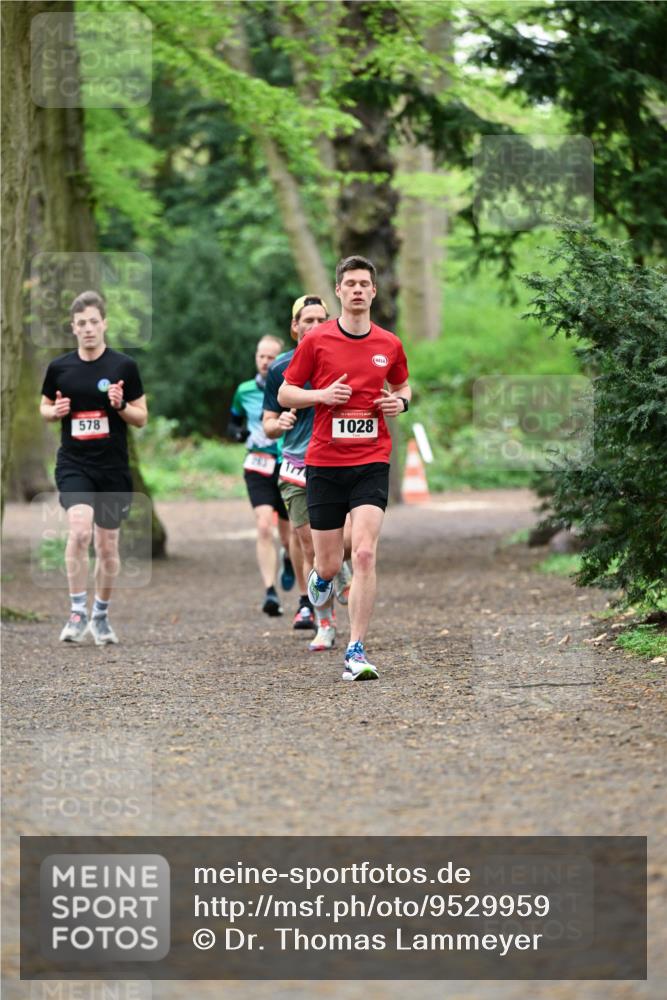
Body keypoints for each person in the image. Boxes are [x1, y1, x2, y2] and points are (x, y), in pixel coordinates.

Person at [278, 256, 411, 680]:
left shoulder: (389, 344)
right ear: (339, 291)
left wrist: (400, 402)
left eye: (364, 284)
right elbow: (285, 393)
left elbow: (403, 384)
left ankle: (355, 650)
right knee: (330, 564)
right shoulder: (316, 340)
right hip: (324, 462)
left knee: (367, 552)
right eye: (349, 283)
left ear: (373, 292)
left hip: (372, 458)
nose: (357, 290)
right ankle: (321, 580)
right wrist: (321, 398)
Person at [39, 290, 148, 645]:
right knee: (80, 531)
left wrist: (119, 406)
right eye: (81, 323)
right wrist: (53, 413)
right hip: (74, 464)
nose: (88, 329)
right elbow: (43, 407)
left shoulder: (123, 367)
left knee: (106, 546)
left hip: (113, 468)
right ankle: (75, 611)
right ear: (73, 328)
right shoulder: (60, 368)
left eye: (93, 322)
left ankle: (100, 615)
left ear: (104, 324)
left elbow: (141, 418)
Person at [263, 294, 353, 651]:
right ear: (295, 326)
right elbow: (268, 423)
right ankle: (325, 623)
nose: (315, 326)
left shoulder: (342, 359)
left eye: (321, 320)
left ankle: (339, 568)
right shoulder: (280, 370)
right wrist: (278, 423)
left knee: (345, 543)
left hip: (339, 462)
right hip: (297, 465)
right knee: (309, 547)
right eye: (308, 320)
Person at [228, 335, 295, 617]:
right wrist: (237, 433)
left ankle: (290, 559)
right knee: (263, 525)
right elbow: (232, 420)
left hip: (286, 463)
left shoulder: (290, 387)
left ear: (280, 359)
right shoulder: (244, 390)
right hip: (257, 463)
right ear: (256, 358)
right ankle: (270, 592)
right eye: (261, 356)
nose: (266, 362)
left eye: (272, 357)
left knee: (289, 533)